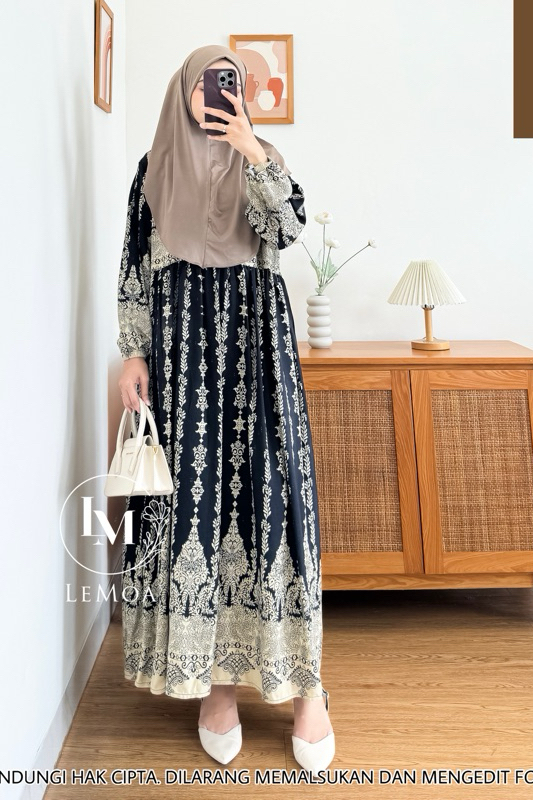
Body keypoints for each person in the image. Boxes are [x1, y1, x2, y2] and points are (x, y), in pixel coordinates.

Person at [115, 44, 334, 773]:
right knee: (196, 504)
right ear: (184, 90)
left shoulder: (264, 157)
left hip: (257, 348)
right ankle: (216, 686)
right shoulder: (153, 169)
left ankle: (307, 687)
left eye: (228, 83)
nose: (216, 94)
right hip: (181, 352)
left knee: (275, 500)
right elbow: (135, 267)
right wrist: (134, 352)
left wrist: (251, 149)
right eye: (206, 83)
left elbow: (288, 231)